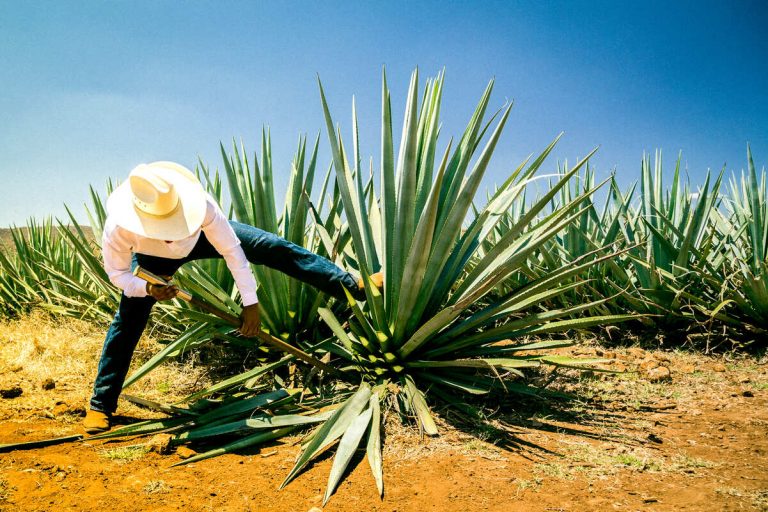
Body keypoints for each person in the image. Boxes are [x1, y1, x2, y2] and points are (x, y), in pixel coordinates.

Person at [83, 161, 381, 434]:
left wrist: (250, 303)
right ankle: (101, 404)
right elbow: (118, 276)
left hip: (199, 235)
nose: (169, 235)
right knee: (128, 321)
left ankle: (352, 285)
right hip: (152, 262)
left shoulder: (202, 208)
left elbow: (232, 251)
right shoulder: (120, 228)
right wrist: (148, 288)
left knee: (271, 245)